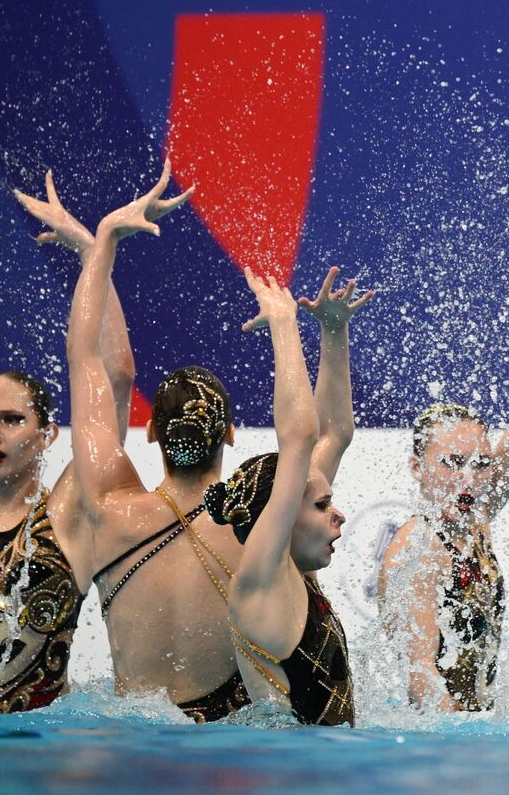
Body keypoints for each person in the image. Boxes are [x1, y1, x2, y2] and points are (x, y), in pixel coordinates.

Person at [0, 160, 136, 711]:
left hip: (41, 746)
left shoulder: (70, 514)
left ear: (47, 434)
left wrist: (93, 252)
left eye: (12, 420)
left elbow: (118, 377)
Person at [66, 163, 259, 722]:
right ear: (229, 433)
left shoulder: (109, 508)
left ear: (150, 432)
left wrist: (101, 245)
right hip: (234, 746)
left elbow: (87, 362)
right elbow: (319, 436)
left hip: (132, 742)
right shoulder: (259, 522)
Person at [376, 288, 509, 712]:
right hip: (442, 743)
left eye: (480, 464)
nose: (469, 478)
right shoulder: (415, 553)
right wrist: (475, 741)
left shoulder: (473, 513)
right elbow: (422, 678)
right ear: (418, 467)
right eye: (453, 463)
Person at [204, 266, 370, 725]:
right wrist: (283, 322)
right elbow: (300, 436)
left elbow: (333, 433)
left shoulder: (297, 572)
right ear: (276, 516)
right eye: (320, 506)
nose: (337, 515)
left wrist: (333, 331)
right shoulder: (264, 578)